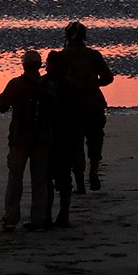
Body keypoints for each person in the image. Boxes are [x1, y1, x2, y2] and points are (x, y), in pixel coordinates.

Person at [46, 22, 113, 191]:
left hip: (72, 106)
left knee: (75, 144)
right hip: (94, 105)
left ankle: (81, 184)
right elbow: (108, 78)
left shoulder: (62, 56)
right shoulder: (93, 55)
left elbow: (54, 79)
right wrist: (93, 84)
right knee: (95, 139)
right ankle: (94, 170)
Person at [0, 50, 54, 232]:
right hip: (42, 138)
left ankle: (11, 218)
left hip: (21, 138)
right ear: (39, 65)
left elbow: (0, 106)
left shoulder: (16, 84)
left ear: (23, 65)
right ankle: (39, 219)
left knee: (15, 180)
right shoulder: (49, 85)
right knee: (40, 181)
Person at [43, 51, 83, 228]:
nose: (46, 66)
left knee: (47, 177)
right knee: (64, 176)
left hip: (52, 135)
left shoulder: (46, 82)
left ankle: (47, 215)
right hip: (70, 134)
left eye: (48, 63)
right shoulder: (72, 84)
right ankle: (63, 214)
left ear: (52, 65)